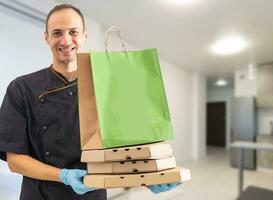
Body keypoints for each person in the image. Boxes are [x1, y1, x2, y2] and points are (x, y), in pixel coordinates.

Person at [0, 4, 177, 200]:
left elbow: (128, 147)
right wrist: (63, 176)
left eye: (73, 32)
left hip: (93, 195)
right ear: (46, 38)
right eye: (57, 33)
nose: (66, 40)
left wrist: (148, 177)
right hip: (41, 195)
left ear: (84, 35)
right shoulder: (22, 88)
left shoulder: (109, 86)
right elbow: (15, 160)